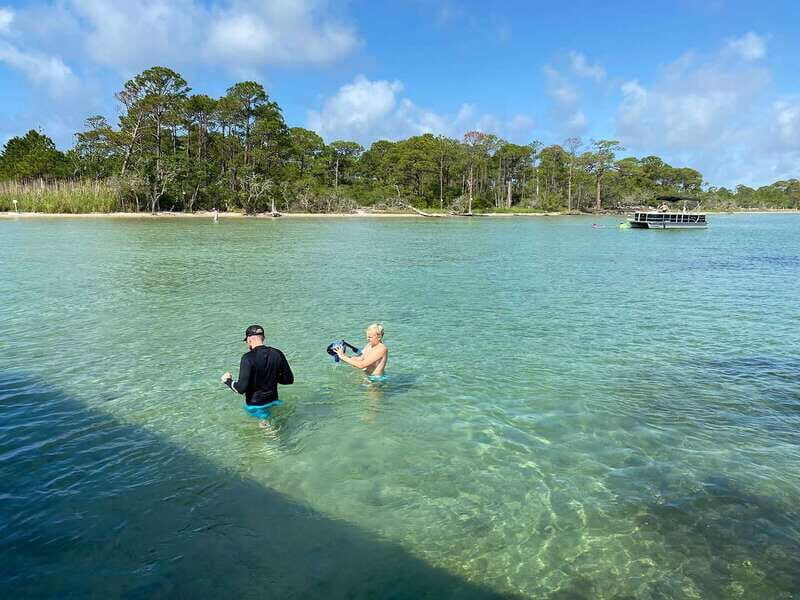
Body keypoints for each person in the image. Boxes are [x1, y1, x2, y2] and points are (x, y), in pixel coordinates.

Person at [222, 325, 294, 421]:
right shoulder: (277, 353)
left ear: (249, 339)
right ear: (263, 338)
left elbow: (241, 389)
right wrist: (273, 376)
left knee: (268, 431)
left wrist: (227, 380)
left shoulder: (247, 358)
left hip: (256, 406)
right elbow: (288, 380)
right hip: (274, 401)